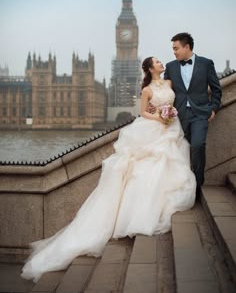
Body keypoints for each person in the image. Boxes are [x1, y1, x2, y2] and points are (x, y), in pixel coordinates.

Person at [21, 57, 196, 283]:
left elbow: (181, 98)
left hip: (170, 130)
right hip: (155, 127)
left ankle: (160, 199)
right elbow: (144, 112)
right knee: (145, 167)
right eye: (158, 61)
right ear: (151, 68)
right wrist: (160, 117)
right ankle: (142, 210)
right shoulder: (146, 89)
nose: (162, 62)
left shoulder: (170, 83)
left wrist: (170, 114)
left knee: (167, 162)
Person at [163, 33, 222, 196]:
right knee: (181, 152)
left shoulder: (206, 63)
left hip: (200, 113)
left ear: (187, 47)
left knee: (197, 145)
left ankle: (197, 185)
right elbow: (165, 91)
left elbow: (216, 89)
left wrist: (213, 108)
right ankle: (182, 186)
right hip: (178, 115)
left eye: (176, 48)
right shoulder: (170, 66)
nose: (173, 52)